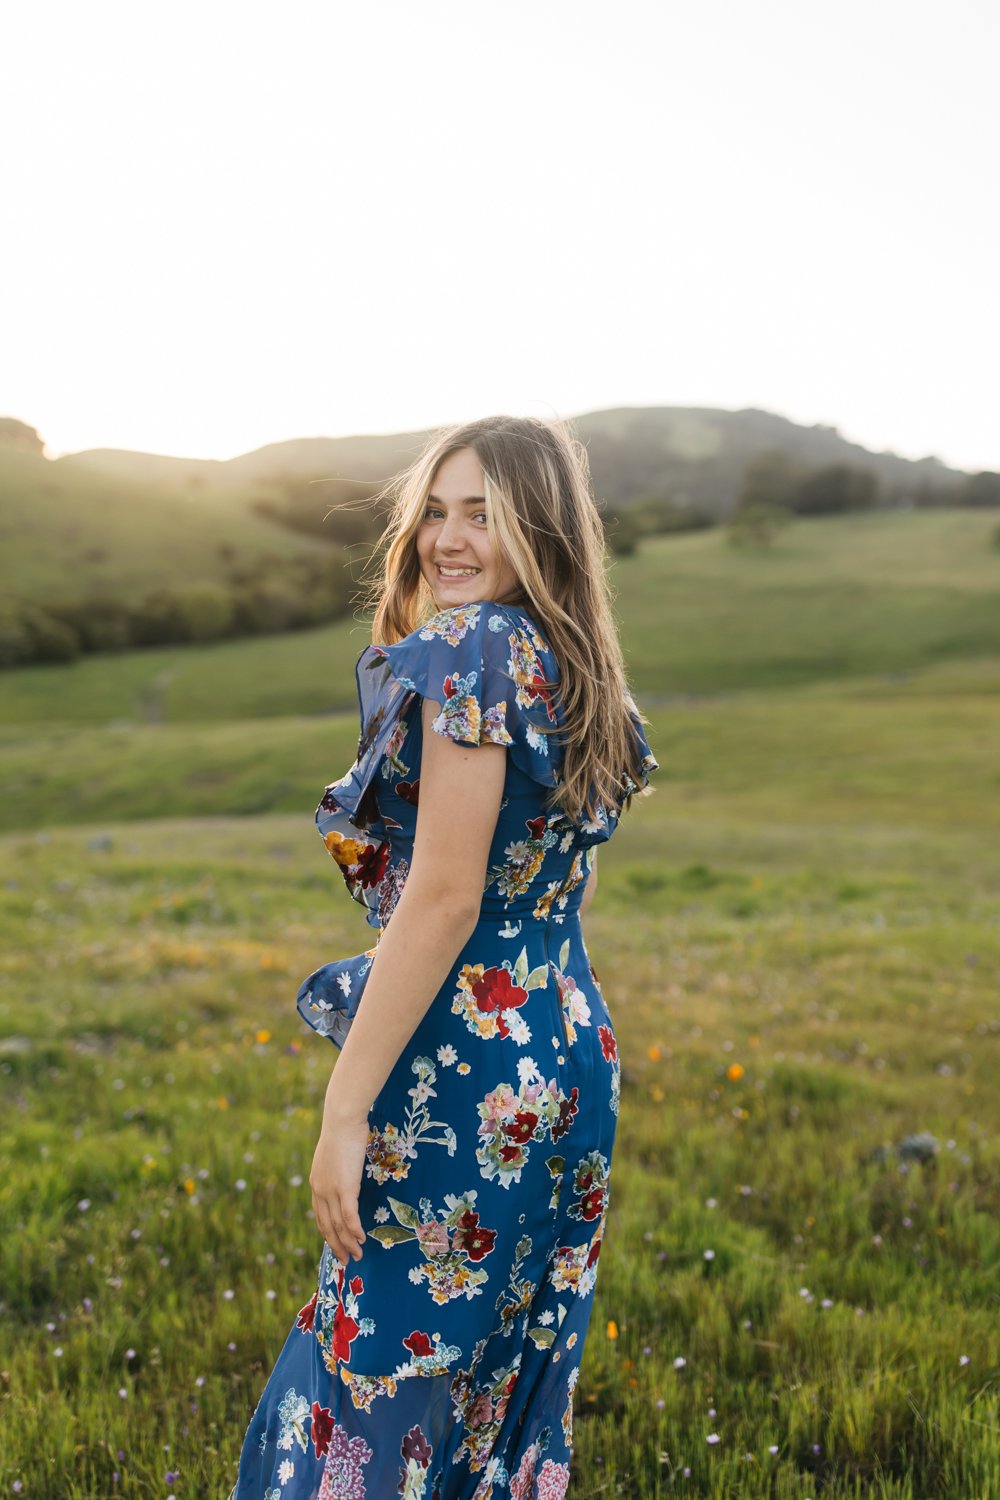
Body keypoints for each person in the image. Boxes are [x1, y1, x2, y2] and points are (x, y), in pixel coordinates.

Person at [228, 414, 658, 1499]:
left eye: (484, 514)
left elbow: (445, 897)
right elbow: (570, 880)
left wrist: (344, 1107)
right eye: (435, 509)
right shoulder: (573, 663)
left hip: (466, 1066)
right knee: (500, 1364)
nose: (445, 538)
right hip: (564, 1054)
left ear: (542, 532)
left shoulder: (472, 650)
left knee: (384, 1363)